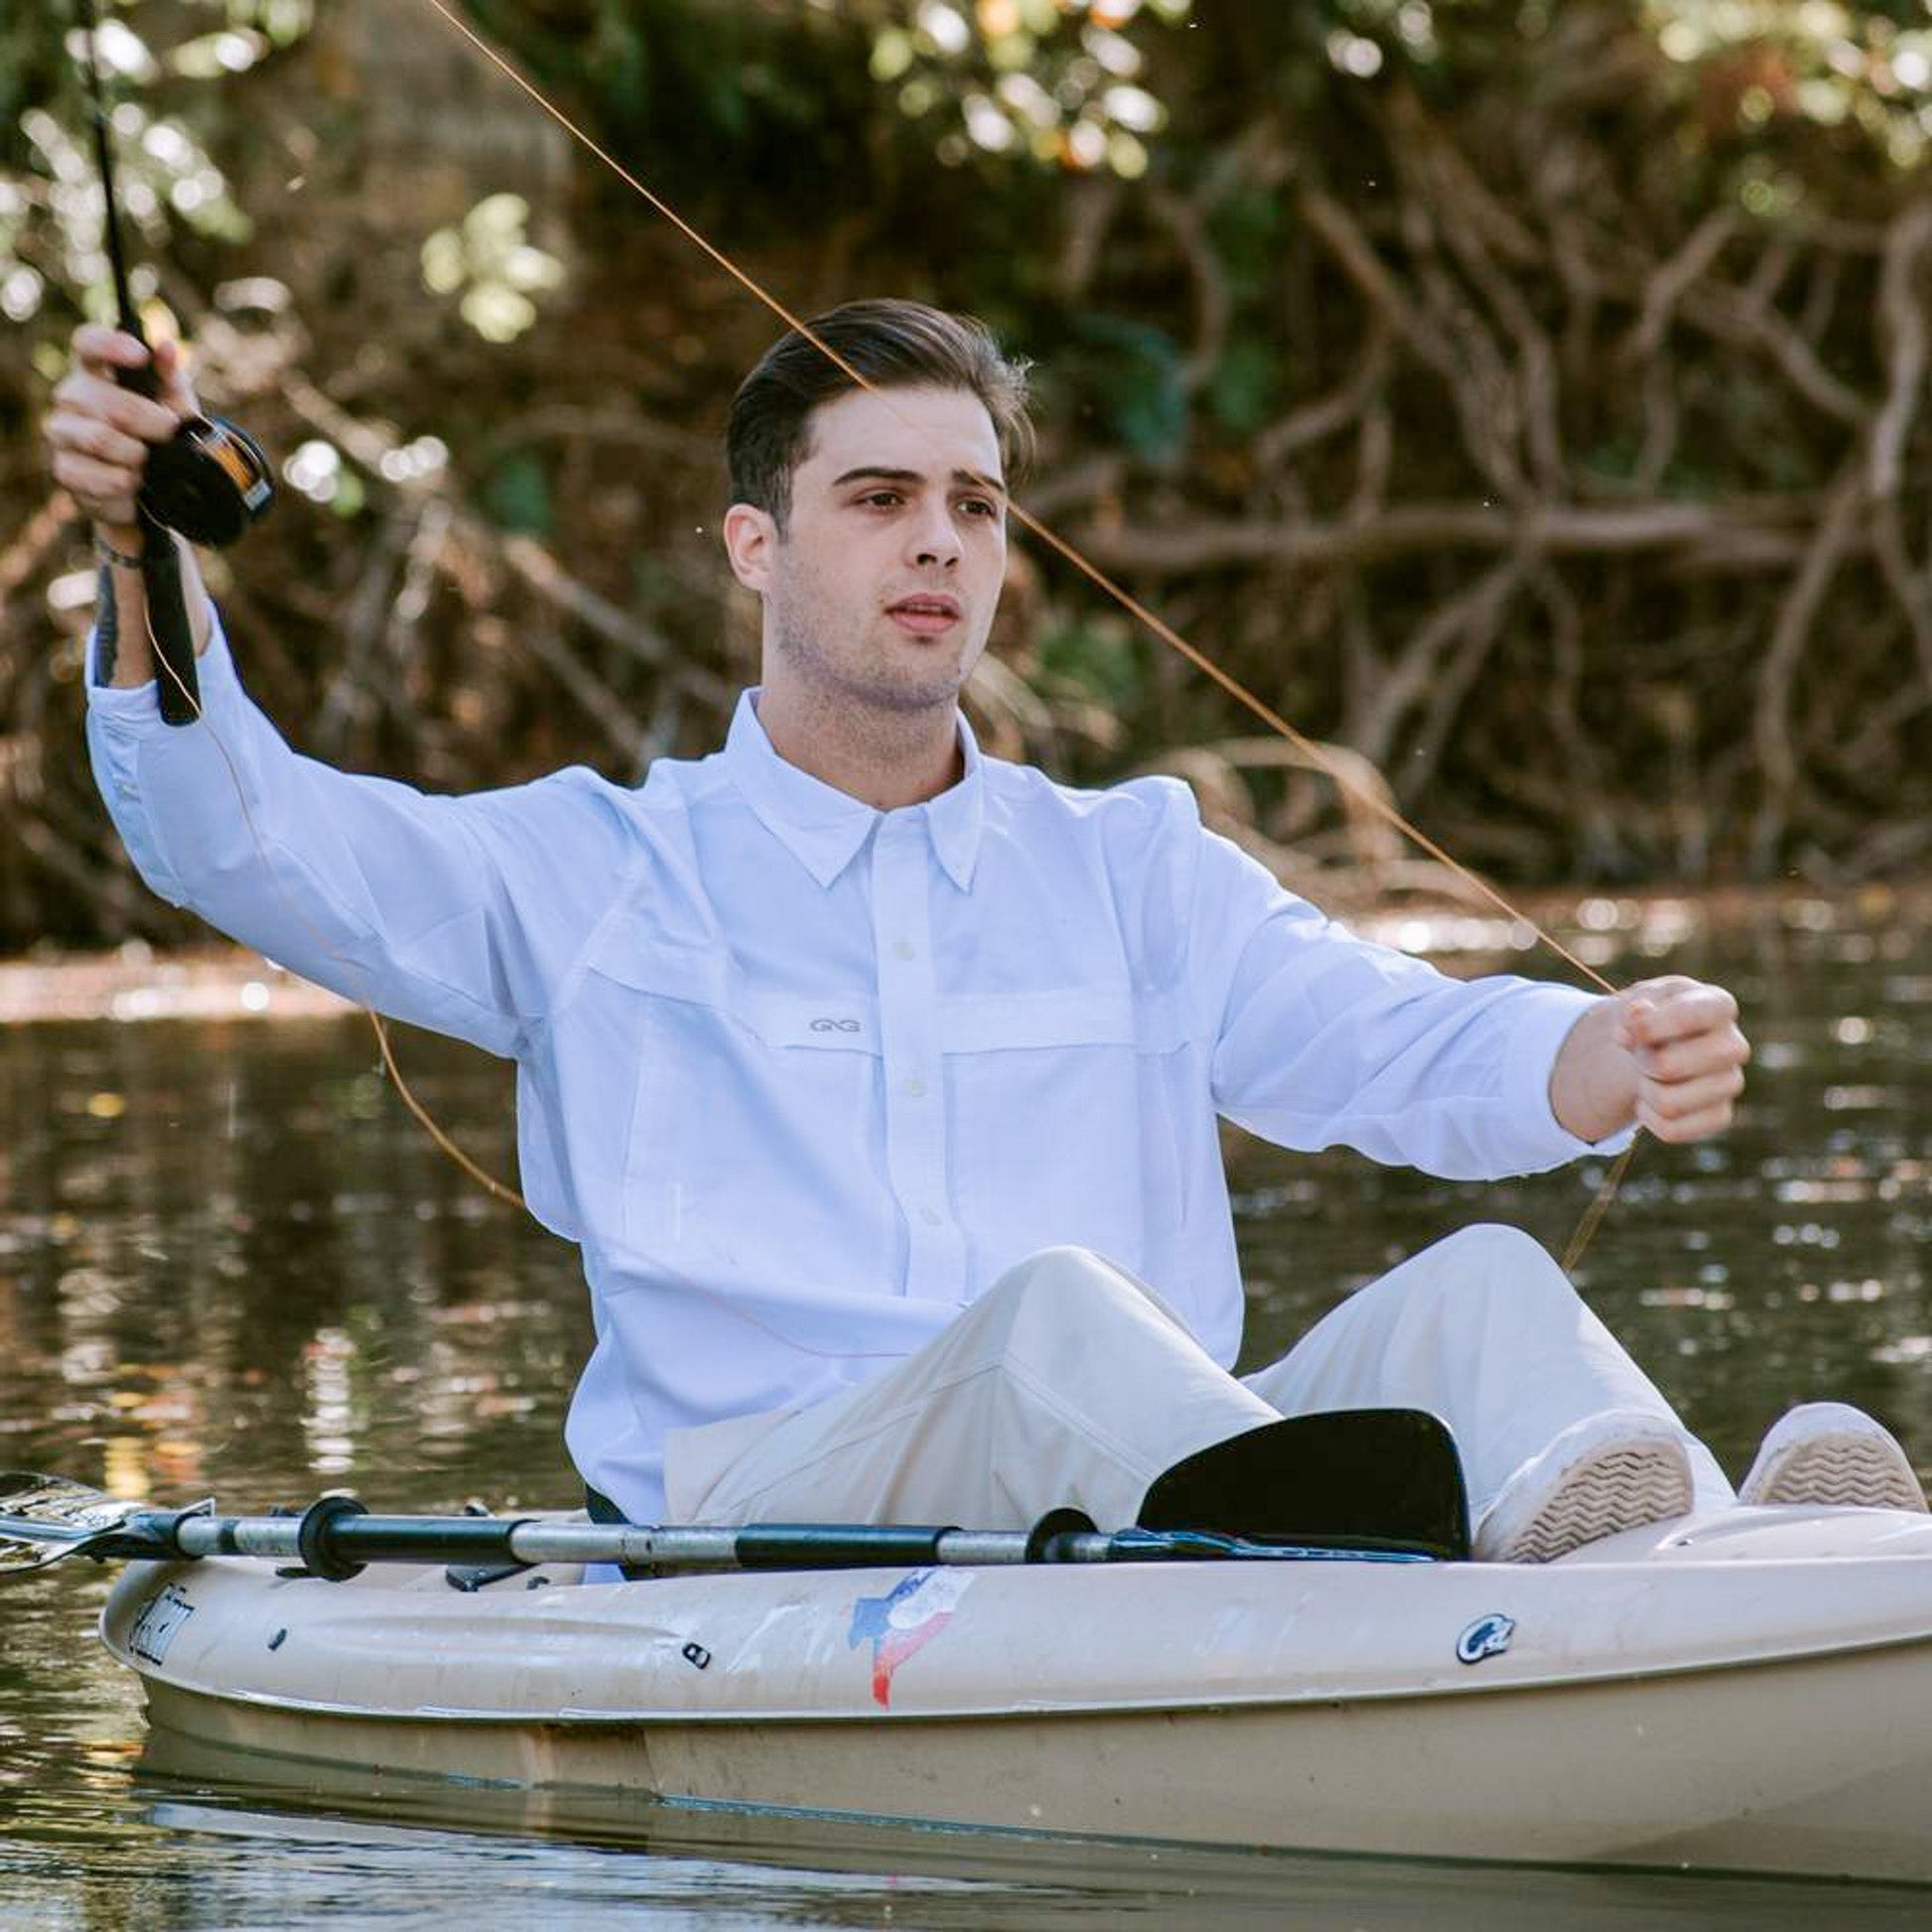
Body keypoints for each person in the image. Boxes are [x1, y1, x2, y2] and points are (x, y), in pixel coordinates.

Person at [47, 300, 1926, 1563]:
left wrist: (1595, 1051)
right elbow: (242, 835)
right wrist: (144, 551)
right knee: (1048, 1321)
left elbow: (1381, 1034)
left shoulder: (1131, 861)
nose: (939, 540)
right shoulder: (594, 867)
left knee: (1487, 1288)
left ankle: (1730, 1568)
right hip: (763, 1525)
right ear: (755, 545)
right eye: (879, 499)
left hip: (1143, 1476)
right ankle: (1424, 1581)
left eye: (974, 504)